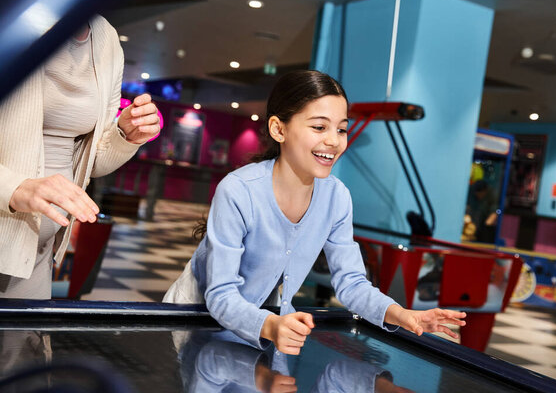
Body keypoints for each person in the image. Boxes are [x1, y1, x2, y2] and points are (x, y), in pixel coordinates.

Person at [164, 70, 466, 355]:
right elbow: (221, 295)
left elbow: (352, 283)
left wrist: (401, 315)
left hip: (256, 327)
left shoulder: (337, 198)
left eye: (341, 129)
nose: (334, 141)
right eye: (319, 127)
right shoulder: (238, 190)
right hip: (191, 321)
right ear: (278, 129)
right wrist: (270, 324)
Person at [0, 15, 160, 299]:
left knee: (24, 342)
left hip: (36, 250)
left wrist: (126, 135)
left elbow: (93, 163)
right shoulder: (14, 14)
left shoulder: (106, 37)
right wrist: (15, 187)